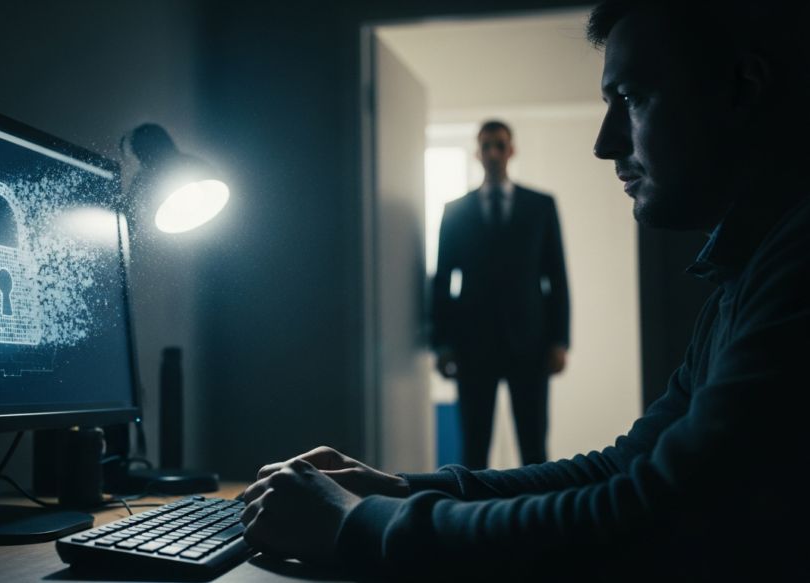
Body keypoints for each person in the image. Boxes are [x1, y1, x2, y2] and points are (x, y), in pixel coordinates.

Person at [239, 0, 810, 579]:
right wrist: (401, 488)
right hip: (477, 344)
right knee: (478, 439)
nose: (605, 143)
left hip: (529, 340)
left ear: (742, 86)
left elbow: (658, 512)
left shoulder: (794, 266)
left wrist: (356, 523)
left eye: (631, 98)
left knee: (533, 436)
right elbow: (622, 469)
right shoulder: (740, 283)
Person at [432, 120, 570, 469]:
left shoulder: (541, 205)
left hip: (532, 341)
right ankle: (471, 521)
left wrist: (560, 340)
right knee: (474, 449)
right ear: (477, 153)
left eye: (500, 145)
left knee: (534, 445)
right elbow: (442, 281)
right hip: (472, 345)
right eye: (486, 146)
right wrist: (442, 344)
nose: (493, 152)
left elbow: (557, 277)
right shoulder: (455, 211)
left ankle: (538, 519)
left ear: (512, 150)